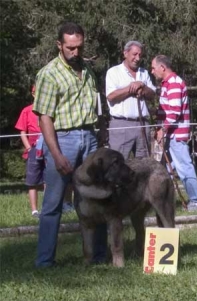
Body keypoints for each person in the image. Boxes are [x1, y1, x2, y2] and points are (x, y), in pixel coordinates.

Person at [33, 22, 106, 267]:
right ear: (59, 45)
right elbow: (44, 117)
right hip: (62, 139)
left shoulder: (87, 70)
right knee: (53, 204)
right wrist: (56, 154)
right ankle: (45, 261)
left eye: (79, 47)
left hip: (89, 137)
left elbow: (95, 105)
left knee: (96, 199)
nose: (75, 52)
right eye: (70, 48)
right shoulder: (48, 73)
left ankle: (98, 255)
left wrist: (100, 133)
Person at [151, 54, 197, 212]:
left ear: (162, 67)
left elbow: (174, 112)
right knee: (164, 169)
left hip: (176, 135)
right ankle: (162, 201)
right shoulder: (167, 84)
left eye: (153, 68)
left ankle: (196, 201)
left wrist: (163, 129)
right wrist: (158, 125)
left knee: (184, 167)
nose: (152, 71)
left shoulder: (174, 83)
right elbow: (166, 111)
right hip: (170, 134)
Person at [106, 41, 156, 158]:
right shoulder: (113, 72)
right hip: (121, 124)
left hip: (142, 123)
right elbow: (111, 96)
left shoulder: (144, 73)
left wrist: (142, 87)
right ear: (125, 53)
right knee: (117, 163)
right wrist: (130, 88)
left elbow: (152, 95)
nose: (137, 58)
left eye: (140, 55)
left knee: (144, 164)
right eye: (134, 54)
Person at [15, 85, 43, 217]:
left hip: (49, 147)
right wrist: (29, 148)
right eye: (37, 93)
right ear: (33, 94)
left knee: (49, 179)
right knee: (33, 181)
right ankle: (34, 210)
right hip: (33, 148)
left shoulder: (50, 110)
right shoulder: (27, 111)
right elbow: (22, 131)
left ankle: (47, 208)